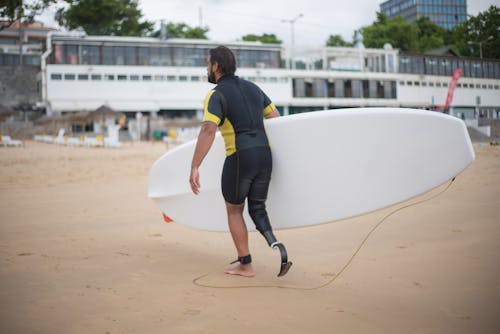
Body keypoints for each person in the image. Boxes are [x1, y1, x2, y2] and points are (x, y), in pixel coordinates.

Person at [189, 46, 292, 278]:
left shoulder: (216, 95)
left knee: (235, 210)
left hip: (239, 157)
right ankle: (275, 244)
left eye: (208, 63)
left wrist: (195, 166)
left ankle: (246, 264)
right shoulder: (254, 88)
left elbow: (208, 129)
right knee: (257, 207)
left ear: (216, 66)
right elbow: (275, 118)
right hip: (265, 155)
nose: (207, 67)